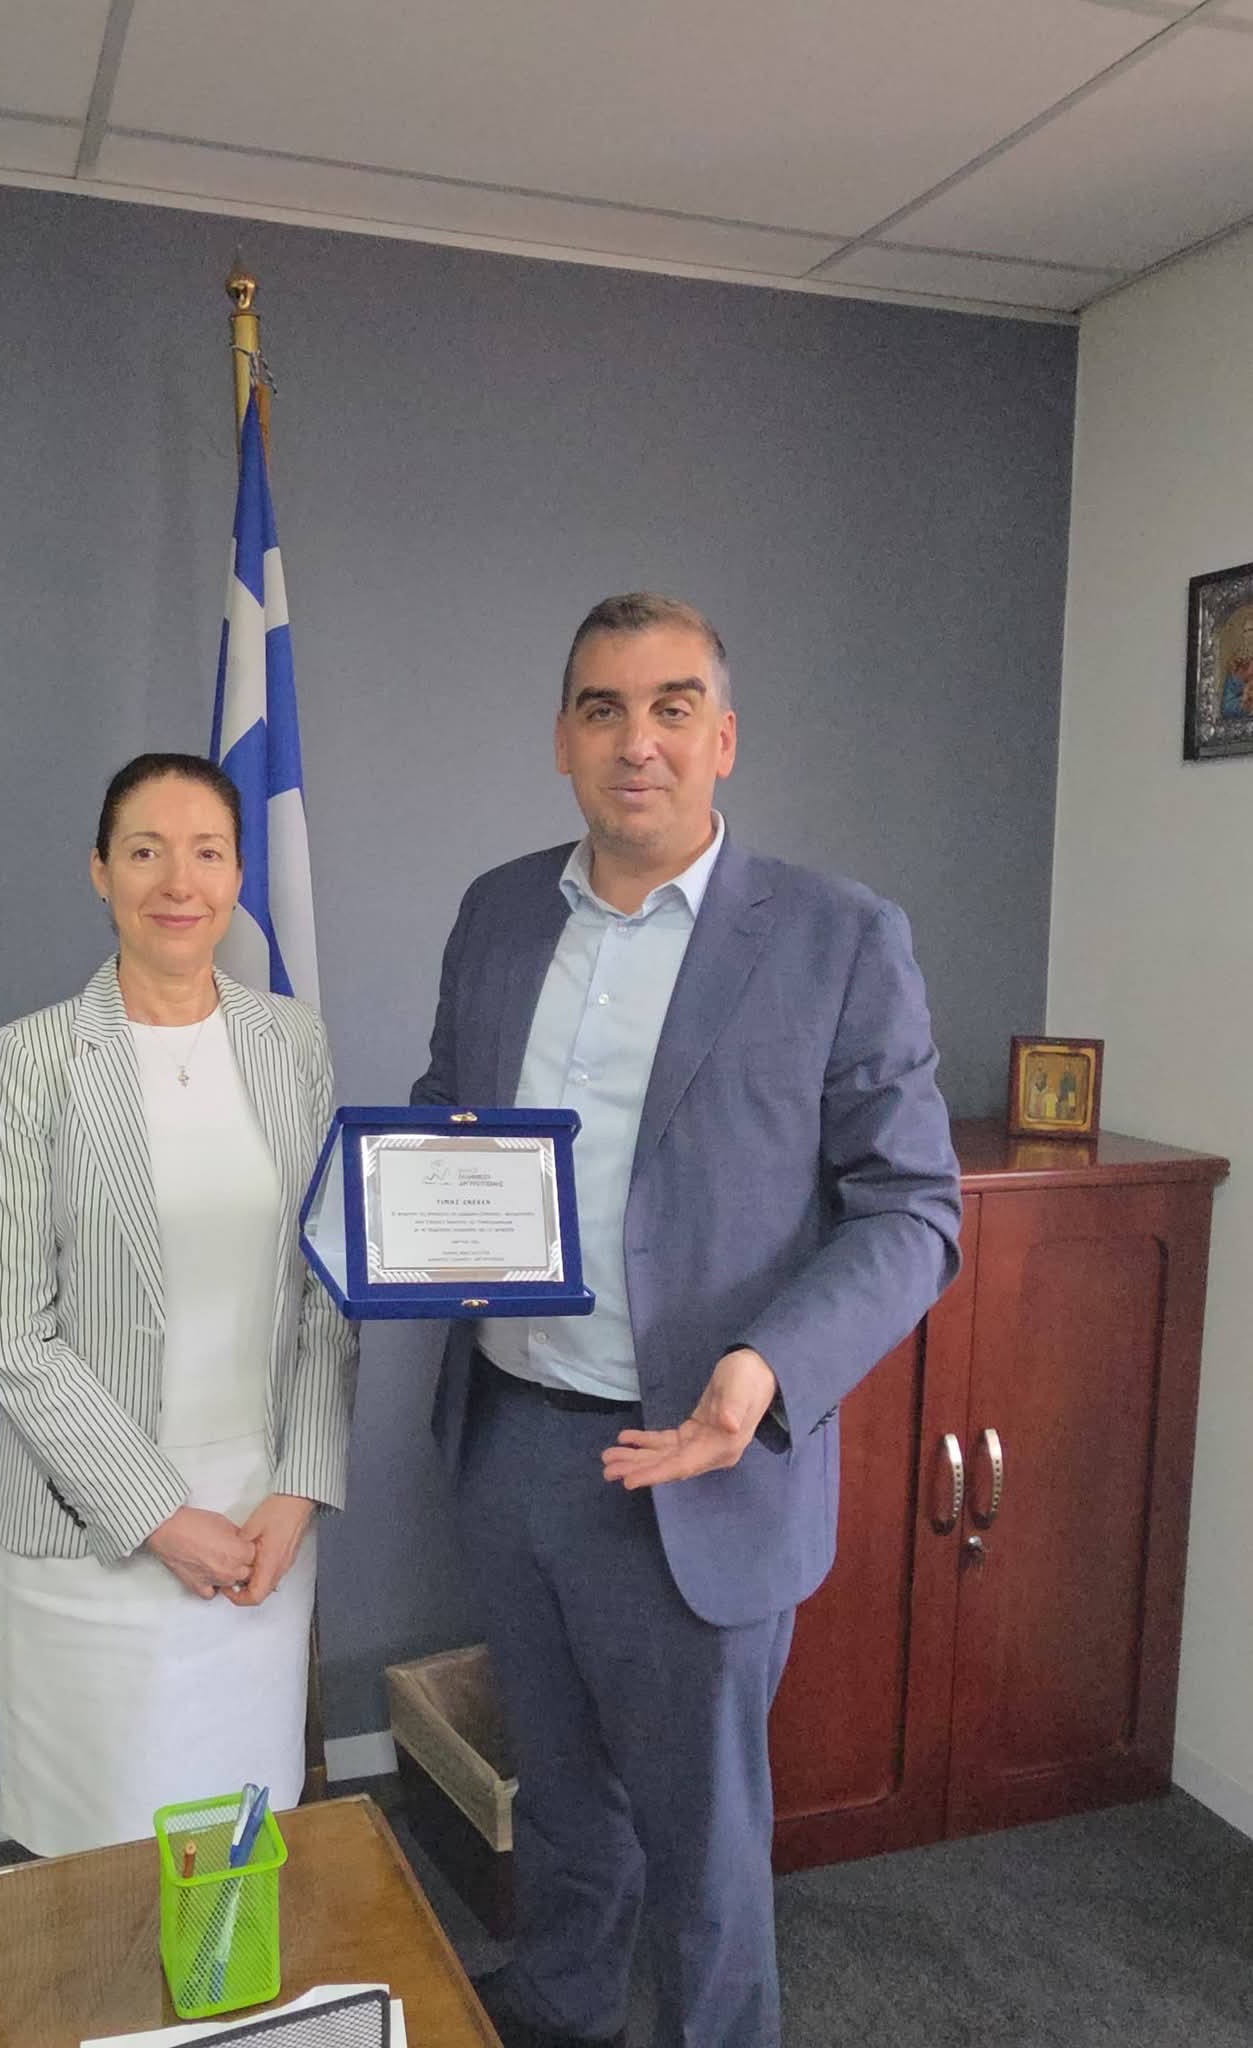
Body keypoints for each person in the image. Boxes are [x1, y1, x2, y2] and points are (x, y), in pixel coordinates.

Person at [412, 595, 961, 2048]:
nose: (634, 741)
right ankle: (563, 2014)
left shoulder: (837, 936)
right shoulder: (499, 912)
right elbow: (447, 1118)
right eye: (601, 708)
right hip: (512, 1440)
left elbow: (913, 1209)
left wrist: (764, 1367)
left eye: (670, 708)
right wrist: (390, 1210)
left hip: (697, 1463)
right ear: (561, 739)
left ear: (722, 738)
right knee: (560, 1807)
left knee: (705, 1852)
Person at [0, 751, 359, 1856]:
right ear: (100, 871)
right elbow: (12, 1328)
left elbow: (329, 1288)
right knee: (98, 1868)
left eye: (207, 852)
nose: (177, 882)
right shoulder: (33, 1057)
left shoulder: (294, 1043)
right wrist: (155, 1515)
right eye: (145, 851)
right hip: (93, 1534)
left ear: (237, 875)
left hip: (262, 1524)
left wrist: (299, 1485)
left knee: (238, 1848)